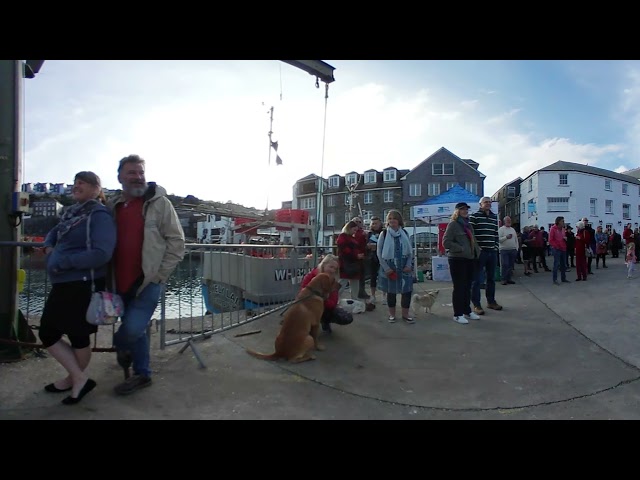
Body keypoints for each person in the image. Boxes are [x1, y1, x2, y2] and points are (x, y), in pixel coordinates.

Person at [110, 154, 186, 396]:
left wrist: (159, 276)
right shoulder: (113, 206)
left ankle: (121, 347)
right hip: (117, 281)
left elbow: (177, 243)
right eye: (132, 172)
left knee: (131, 330)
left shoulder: (160, 203)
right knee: (138, 329)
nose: (138, 177)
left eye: (141, 172)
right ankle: (142, 373)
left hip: (147, 282)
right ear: (120, 177)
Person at [39, 171, 116, 405]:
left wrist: (62, 262)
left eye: (83, 182)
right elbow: (53, 234)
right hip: (65, 283)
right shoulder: (70, 214)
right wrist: (49, 247)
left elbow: (102, 253)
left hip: (82, 284)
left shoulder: (99, 215)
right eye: (75, 182)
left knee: (57, 333)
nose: (77, 185)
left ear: (96, 189)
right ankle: (77, 378)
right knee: (72, 334)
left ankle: (78, 378)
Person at [443, 202, 481, 324]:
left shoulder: (468, 225)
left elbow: (472, 240)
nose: (465, 211)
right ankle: (457, 314)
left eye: (466, 209)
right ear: (457, 211)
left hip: (469, 259)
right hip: (457, 260)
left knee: (467, 287)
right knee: (459, 287)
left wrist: (476, 252)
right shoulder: (453, 224)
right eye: (462, 209)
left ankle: (467, 310)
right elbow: (446, 242)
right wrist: (460, 248)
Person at [376, 210, 415, 324]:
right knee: (391, 292)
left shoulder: (405, 233)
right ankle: (392, 315)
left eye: (394, 218)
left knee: (406, 291)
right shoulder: (384, 234)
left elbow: (410, 251)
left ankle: (405, 315)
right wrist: (386, 268)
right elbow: (379, 253)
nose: (392, 220)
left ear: (399, 220)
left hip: (403, 266)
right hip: (390, 266)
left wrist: (408, 264)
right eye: (390, 218)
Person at [300, 254, 350, 334]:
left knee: (346, 317)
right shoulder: (311, 276)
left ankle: (324, 321)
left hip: (323, 307)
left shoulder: (334, 281)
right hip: (309, 307)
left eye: (335, 269)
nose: (333, 270)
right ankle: (307, 325)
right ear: (323, 265)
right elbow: (302, 294)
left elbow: (333, 303)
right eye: (331, 267)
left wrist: (322, 298)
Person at [469, 196, 502, 315]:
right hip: (480, 253)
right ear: (480, 204)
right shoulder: (474, 217)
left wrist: (496, 246)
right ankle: (476, 305)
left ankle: (491, 302)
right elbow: (471, 234)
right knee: (476, 280)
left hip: (492, 252)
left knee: (491, 278)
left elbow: (495, 233)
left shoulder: (494, 217)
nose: (488, 204)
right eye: (485, 202)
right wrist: (478, 249)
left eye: (489, 202)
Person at [337, 220, 363, 299]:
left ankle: (354, 299)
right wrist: (356, 255)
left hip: (351, 263)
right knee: (343, 282)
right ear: (349, 228)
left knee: (351, 283)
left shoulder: (347, 237)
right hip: (347, 263)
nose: (355, 232)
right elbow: (344, 249)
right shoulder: (343, 237)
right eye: (354, 230)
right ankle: (335, 299)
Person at [351, 216, 371, 302]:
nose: (357, 223)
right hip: (354, 257)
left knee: (362, 276)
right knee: (354, 277)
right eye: (356, 222)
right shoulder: (352, 233)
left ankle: (361, 291)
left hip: (363, 256)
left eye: (359, 222)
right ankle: (357, 294)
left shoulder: (364, 232)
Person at [366, 216, 383, 303]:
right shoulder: (369, 234)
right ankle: (373, 295)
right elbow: (365, 244)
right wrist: (368, 246)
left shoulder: (384, 232)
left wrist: (378, 247)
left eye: (376, 223)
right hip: (372, 257)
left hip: (383, 257)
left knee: (383, 276)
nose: (374, 225)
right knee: (373, 276)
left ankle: (384, 295)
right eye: (373, 223)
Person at [549, 216, 569, 285]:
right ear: (558, 222)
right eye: (562, 221)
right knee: (556, 264)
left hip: (563, 248)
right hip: (557, 249)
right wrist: (556, 246)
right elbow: (550, 240)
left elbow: (563, 237)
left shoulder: (563, 229)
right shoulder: (553, 229)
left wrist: (565, 239)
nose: (564, 222)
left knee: (564, 264)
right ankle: (555, 279)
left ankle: (563, 278)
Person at [498, 216, 518, 285]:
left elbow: (516, 240)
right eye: (507, 220)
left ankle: (509, 279)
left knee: (510, 265)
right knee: (505, 264)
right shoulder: (501, 229)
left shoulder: (512, 229)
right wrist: (506, 237)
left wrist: (516, 248)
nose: (509, 221)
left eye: (509, 220)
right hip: (504, 250)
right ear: (504, 221)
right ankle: (503, 279)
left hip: (513, 250)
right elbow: (499, 240)